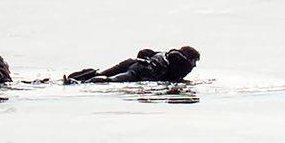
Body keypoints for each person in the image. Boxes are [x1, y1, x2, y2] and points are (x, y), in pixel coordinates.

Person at [64, 46, 200, 84]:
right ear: (190, 58)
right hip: (139, 74)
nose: (194, 66)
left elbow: (144, 52)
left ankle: (76, 78)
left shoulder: (166, 53)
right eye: (195, 61)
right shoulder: (184, 65)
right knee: (111, 81)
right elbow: (172, 79)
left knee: (102, 74)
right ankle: (79, 83)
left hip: (132, 63)